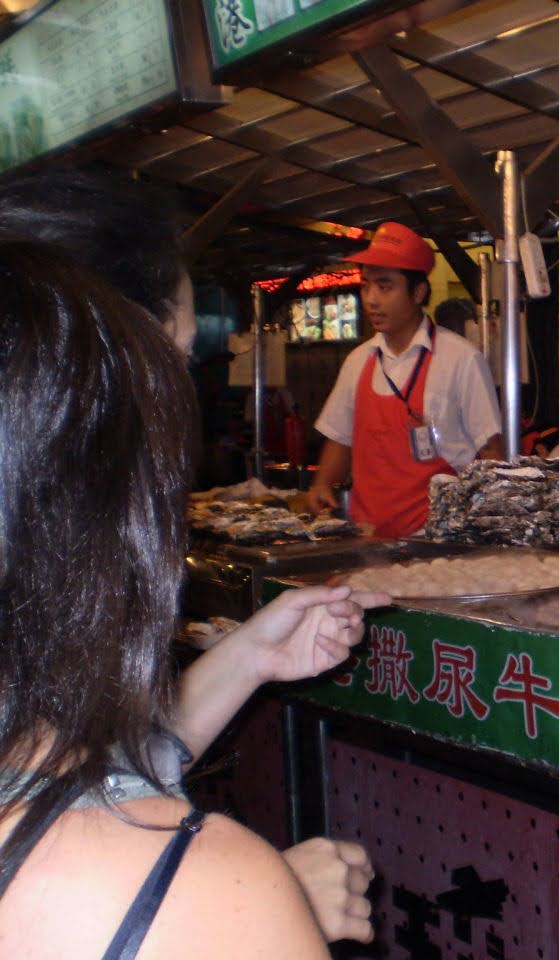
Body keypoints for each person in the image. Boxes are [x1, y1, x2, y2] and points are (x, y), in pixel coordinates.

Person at [0, 168, 382, 944]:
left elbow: (77, 779)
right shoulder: (201, 892)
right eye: (171, 365)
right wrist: (272, 918)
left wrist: (245, 658)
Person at [308, 223, 503, 537]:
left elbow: (492, 451)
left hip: (438, 542)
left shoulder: (461, 359)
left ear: (418, 292)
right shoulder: (358, 361)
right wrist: (321, 484)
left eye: (385, 287)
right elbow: (340, 437)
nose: (371, 299)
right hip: (368, 537)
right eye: (366, 285)